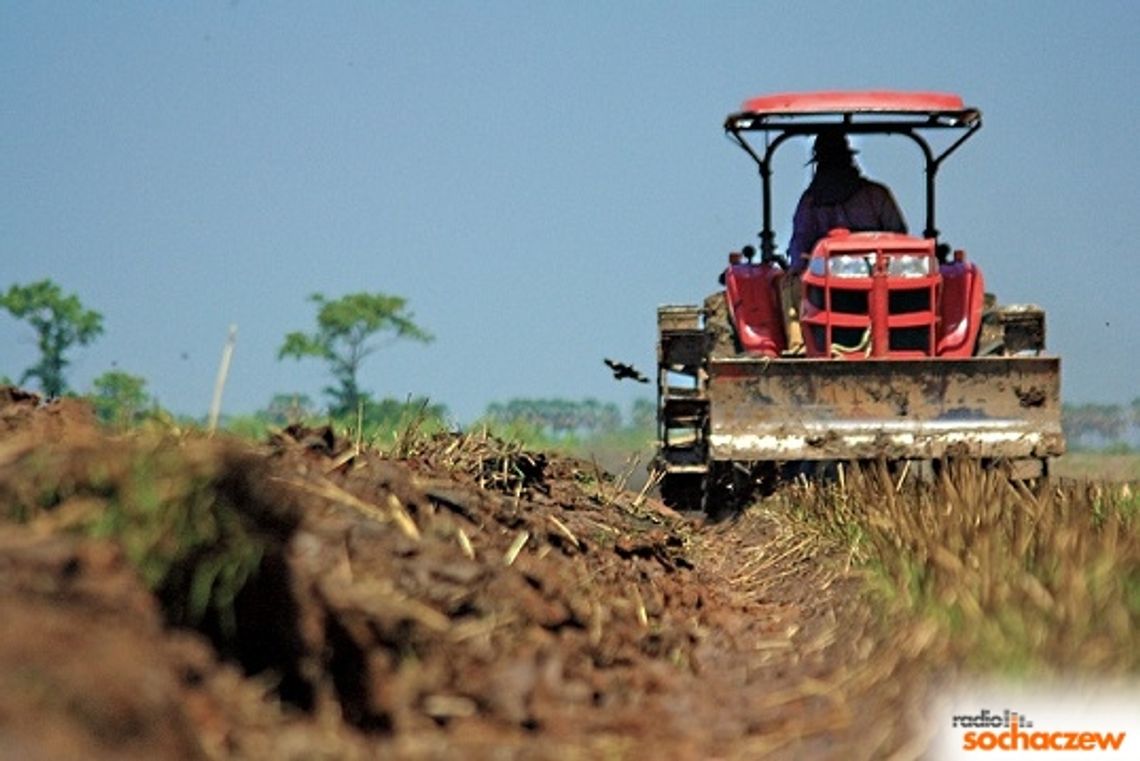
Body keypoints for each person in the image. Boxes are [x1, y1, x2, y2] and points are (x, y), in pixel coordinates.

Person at [785, 131, 907, 275]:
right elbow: (800, 247)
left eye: (835, 162)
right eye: (828, 164)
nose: (832, 170)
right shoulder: (810, 202)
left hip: (876, 276)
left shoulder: (875, 195)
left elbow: (899, 241)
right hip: (823, 282)